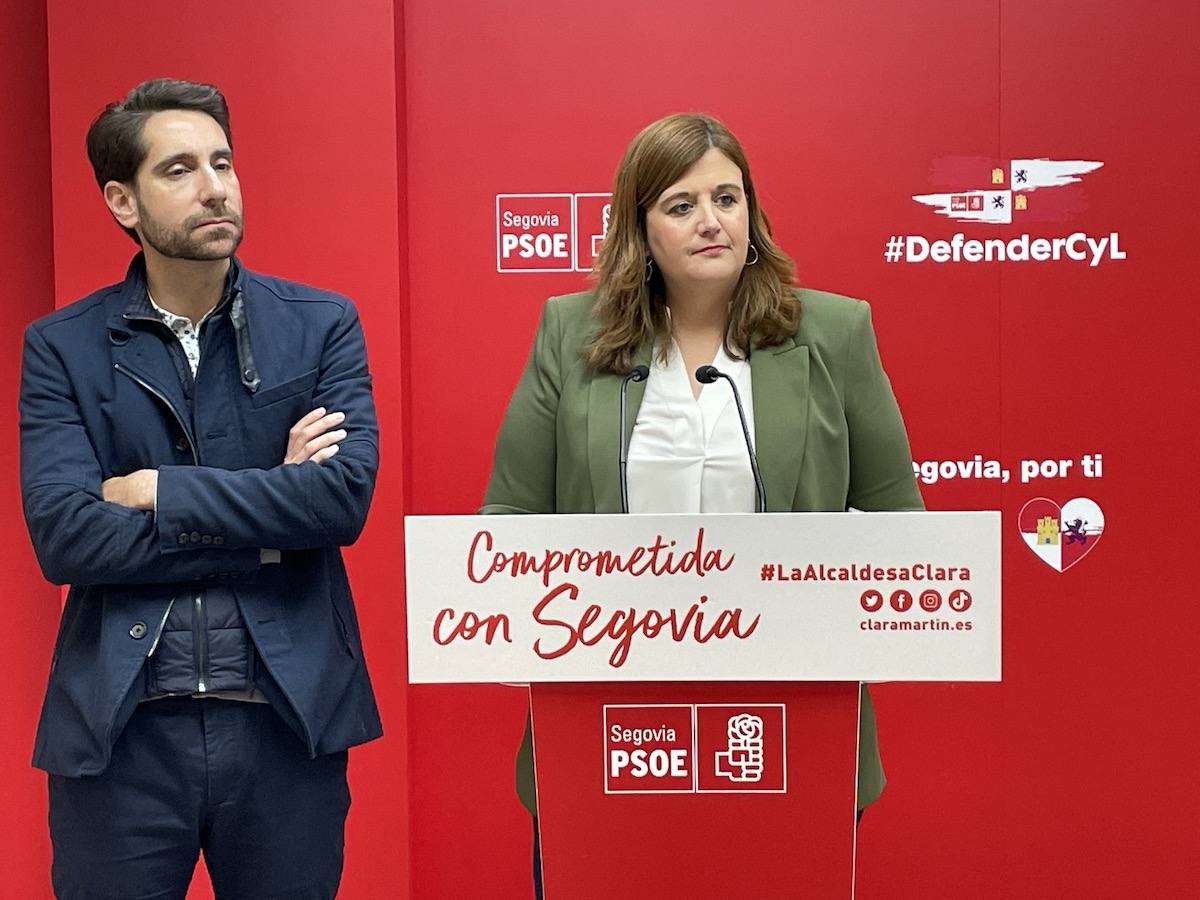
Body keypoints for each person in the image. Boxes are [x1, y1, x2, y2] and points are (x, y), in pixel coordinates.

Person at [480, 113, 923, 895]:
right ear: (639, 229)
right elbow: (510, 523)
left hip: (791, 722)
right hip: (608, 717)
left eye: (727, 196)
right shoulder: (570, 332)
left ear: (752, 213)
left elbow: (900, 526)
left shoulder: (834, 333)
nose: (711, 220)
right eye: (681, 205)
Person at [18, 79, 382, 899]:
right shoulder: (62, 347)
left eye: (222, 161)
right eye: (178, 169)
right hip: (121, 738)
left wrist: (157, 491)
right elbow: (67, 538)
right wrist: (268, 516)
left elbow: (341, 501)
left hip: (287, 728)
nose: (215, 186)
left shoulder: (319, 324)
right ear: (123, 200)